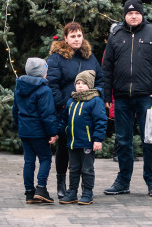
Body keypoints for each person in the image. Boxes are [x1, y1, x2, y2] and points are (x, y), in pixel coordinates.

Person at [102, 0, 152, 197]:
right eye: (130, 13)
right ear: (124, 15)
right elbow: (107, 68)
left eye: (137, 13)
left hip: (146, 97)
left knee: (149, 140)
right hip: (122, 97)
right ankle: (123, 181)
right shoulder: (116, 35)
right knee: (123, 141)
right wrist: (107, 95)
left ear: (142, 15)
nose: (133, 16)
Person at [46, 22, 104, 199]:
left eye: (79, 35)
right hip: (66, 110)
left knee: (86, 149)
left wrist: (97, 96)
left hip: (87, 113)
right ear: (65, 38)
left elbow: (100, 80)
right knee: (65, 148)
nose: (77, 39)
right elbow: (52, 84)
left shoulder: (90, 58)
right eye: (73, 36)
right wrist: (66, 103)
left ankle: (86, 187)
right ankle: (62, 184)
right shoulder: (56, 58)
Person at [13, 58, 59, 204]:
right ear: (43, 72)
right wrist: (52, 132)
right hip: (39, 132)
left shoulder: (19, 87)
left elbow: (15, 110)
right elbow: (47, 114)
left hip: (24, 131)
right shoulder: (44, 90)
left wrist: (20, 126)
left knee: (29, 161)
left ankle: (29, 193)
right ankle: (41, 189)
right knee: (45, 158)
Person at [59, 70, 108, 205]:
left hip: (87, 142)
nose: (80, 86)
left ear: (90, 85)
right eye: (78, 83)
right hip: (73, 142)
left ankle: (87, 192)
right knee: (73, 168)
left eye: (84, 83)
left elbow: (101, 120)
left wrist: (98, 139)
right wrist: (61, 132)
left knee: (87, 169)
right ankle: (72, 192)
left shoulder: (95, 101)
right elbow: (64, 120)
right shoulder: (71, 101)